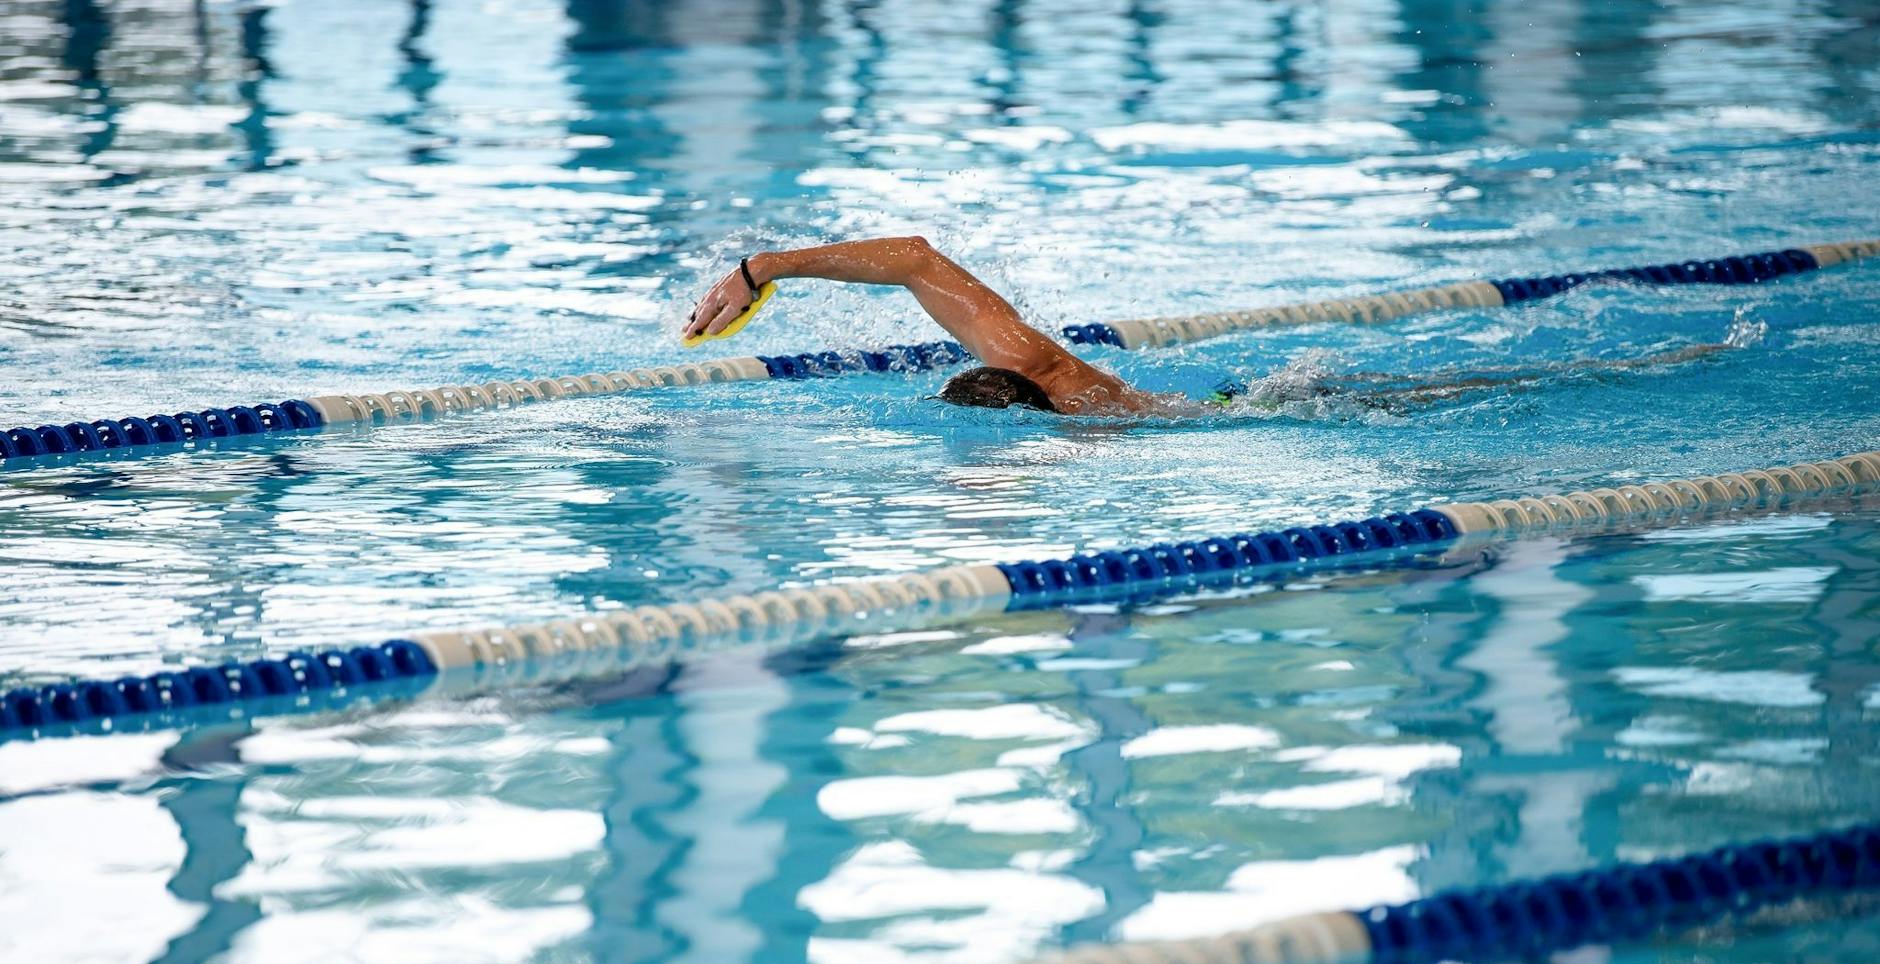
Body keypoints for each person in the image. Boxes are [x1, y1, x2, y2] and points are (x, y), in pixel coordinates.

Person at [682, 235, 1734, 416]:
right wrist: (761, 268)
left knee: (1503, 387)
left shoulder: (1067, 392)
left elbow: (912, 256)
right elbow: (914, 261)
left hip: (1266, 410)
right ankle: (1667, 353)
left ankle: (1676, 353)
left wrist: (757, 266)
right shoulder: (1029, 369)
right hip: (1240, 405)